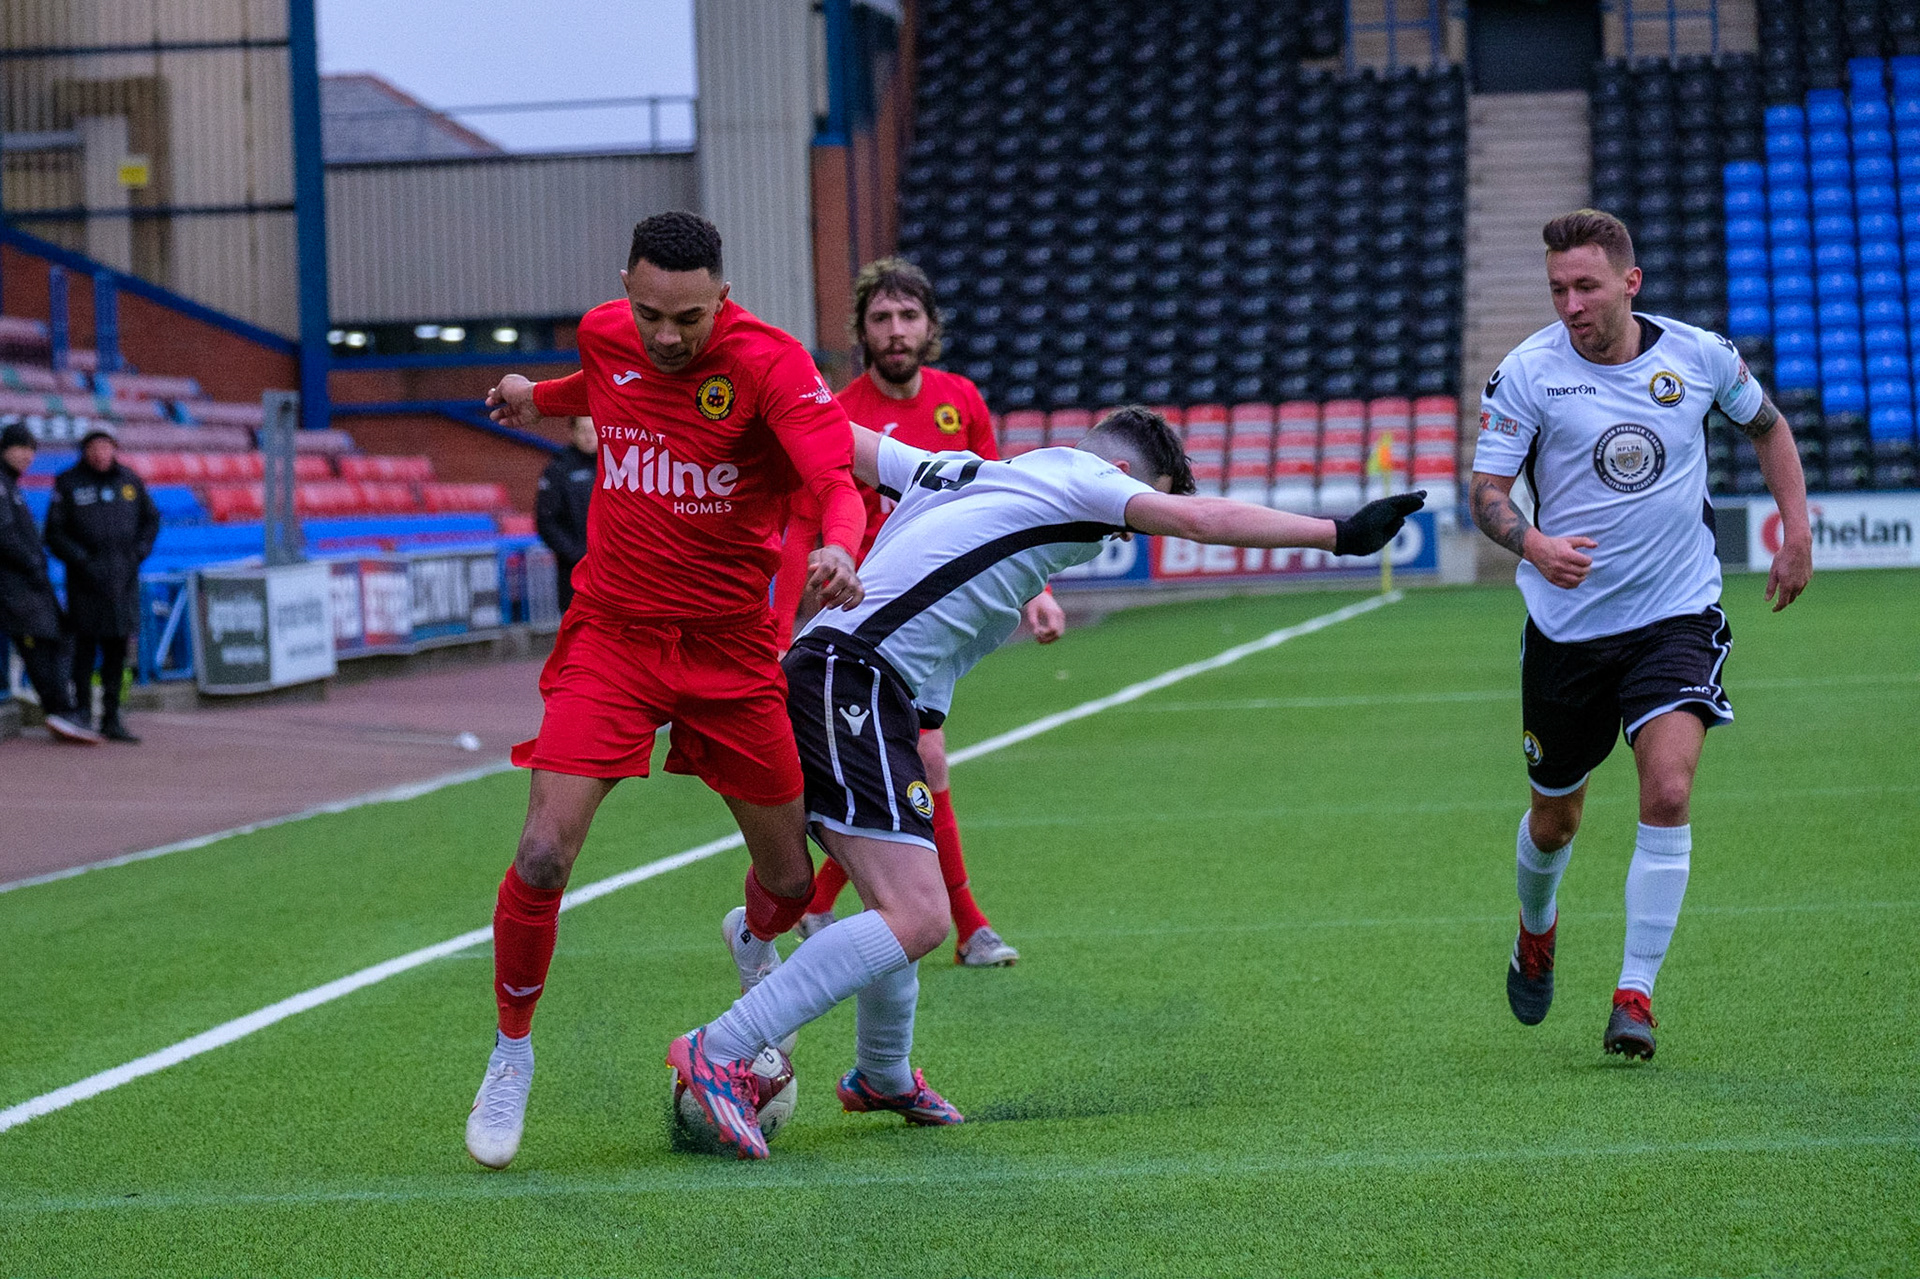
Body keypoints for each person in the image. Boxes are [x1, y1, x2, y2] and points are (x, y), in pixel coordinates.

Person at [668, 406, 1424, 1158]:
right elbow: (1196, 518)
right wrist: (1339, 534)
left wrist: (732, 406)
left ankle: (882, 1072)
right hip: (850, 677)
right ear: (1123, 477)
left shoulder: (962, 473)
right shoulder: (1087, 477)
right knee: (918, 913)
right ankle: (723, 1045)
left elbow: (837, 437)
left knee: (896, 896)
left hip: (861, 687)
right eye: (1131, 519)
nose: (1124, 535)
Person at [463, 211, 868, 1170]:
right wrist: (533, 392)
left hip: (731, 653)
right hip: (614, 637)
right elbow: (597, 379)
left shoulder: (770, 366)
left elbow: (834, 476)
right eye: (652, 313)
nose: (667, 336)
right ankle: (511, 1052)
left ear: (721, 294)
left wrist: (843, 542)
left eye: (688, 317)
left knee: (788, 883)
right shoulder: (609, 333)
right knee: (541, 854)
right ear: (626, 290)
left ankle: (752, 937)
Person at [1470, 209, 1812, 1061]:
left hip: (1675, 614)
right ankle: (1536, 928)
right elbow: (1486, 493)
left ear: (1631, 282)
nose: (1571, 304)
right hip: (1567, 632)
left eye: (1585, 286)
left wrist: (1795, 526)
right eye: (1557, 289)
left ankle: (1635, 995)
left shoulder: (1699, 356)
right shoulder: (1528, 373)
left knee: (1666, 789)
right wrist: (1534, 543)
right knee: (1556, 821)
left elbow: (1767, 425)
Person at [783, 257, 1062, 967]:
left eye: (909, 316)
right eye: (881, 318)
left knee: (905, 768)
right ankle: (968, 926)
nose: (896, 330)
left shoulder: (959, 399)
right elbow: (807, 513)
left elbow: (1006, 505)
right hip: (867, 622)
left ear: (931, 326)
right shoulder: (836, 413)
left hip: (938, 616)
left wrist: (1039, 592)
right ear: (862, 330)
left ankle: (817, 905)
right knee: (924, 759)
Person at [42, 425, 157, 743]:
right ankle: (81, 712)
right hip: (86, 587)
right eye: (94, 447)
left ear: (114, 449)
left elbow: (151, 519)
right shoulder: (68, 482)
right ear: (85, 451)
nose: (100, 453)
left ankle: (112, 717)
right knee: (83, 652)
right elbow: (54, 533)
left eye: (106, 447)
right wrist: (81, 560)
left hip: (123, 585)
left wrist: (139, 552)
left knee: (117, 653)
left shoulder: (130, 480)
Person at [0, 423, 102, 744]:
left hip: (31, 582)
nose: (27, 455)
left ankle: (64, 708)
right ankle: (59, 709)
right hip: (15, 585)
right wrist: (30, 562)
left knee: (60, 636)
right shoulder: (2, 486)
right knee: (41, 644)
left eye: (31, 449)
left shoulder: (11, 486)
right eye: (21, 447)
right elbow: (5, 535)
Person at [534, 415, 598, 612]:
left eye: (593, 430)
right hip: (574, 572)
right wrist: (576, 554)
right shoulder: (558, 468)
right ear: (572, 433)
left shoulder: (616, 464)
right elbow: (545, 521)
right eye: (583, 430)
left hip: (615, 570)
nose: (589, 436)